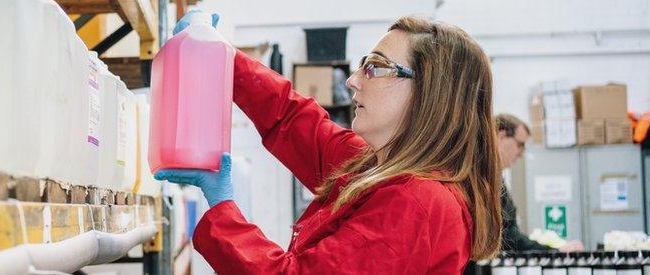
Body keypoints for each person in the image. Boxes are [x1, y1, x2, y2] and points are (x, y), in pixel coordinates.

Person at [155, 13, 504, 274]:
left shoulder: (420, 204)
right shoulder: (376, 167)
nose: (353, 81)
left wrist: (223, 208)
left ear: (431, 93)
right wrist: (225, 59)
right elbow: (291, 119)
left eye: (376, 68)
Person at [494, 114, 584, 252]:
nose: (521, 153)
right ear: (501, 137)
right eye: (520, 145)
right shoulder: (482, 180)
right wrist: (552, 252)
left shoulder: (496, 179)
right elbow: (507, 237)